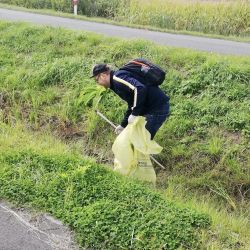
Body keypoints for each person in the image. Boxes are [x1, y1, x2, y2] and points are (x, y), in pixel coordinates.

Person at [91, 63, 170, 139]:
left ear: (103, 75)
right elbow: (132, 103)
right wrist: (123, 125)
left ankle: (144, 152)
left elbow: (139, 88)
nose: (98, 83)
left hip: (157, 108)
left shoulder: (117, 78)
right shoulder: (115, 83)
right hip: (151, 109)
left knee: (142, 140)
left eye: (97, 80)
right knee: (137, 138)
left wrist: (134, 114)